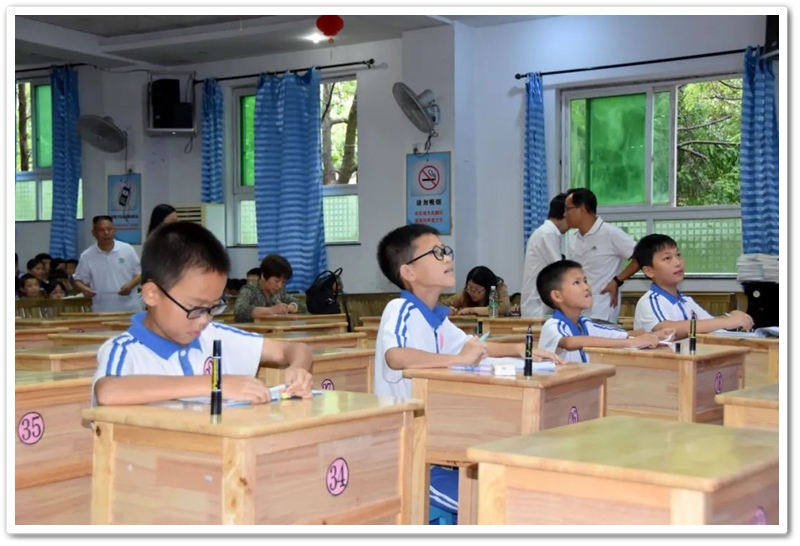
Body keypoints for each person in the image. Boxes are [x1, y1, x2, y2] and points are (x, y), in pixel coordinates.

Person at [374, 224, 564, 518]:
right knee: (497, 505)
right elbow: (396, 356)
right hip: (410, 455)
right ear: (408, 272)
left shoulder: (437, 319)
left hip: (439, 444)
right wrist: (457, 359)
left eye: (446, 250)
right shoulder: (401, 309)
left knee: (512, 491)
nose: (448, 257)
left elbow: (471, 346)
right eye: (436, 253)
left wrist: (519, 349)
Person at [91, 222, 314, 407]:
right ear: (152, 294)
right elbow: (108, 391)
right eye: (196, 308)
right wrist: (214, 383)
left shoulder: (213, 335)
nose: (204, 319)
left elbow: (294, 349)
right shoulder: (126, 350)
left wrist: (297, 369)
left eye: (213, 308)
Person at [537, 260, 670, 363]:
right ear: (557, 296)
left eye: (585, 281)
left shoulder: (585, 324)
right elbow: (570, 342)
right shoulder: (553, 325)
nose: (586, 287)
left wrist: (655, 335)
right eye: (577, 283)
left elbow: (624, 334)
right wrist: (631, 342)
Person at [632, 234, 754, 337]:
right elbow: (667, 329)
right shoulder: (650, 301)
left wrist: (732, 317)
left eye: (678, 255)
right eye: (667, 258)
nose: (677, 263)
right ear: (649, 271)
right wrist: (727, 321)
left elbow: (710, 324)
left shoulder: (686, 301)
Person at [564, 188, 640, 323]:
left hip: (602, 312)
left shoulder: (610, 233)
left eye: (568, 209)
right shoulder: (573, 238)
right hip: (577, 313)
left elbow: (641, 257)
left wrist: (617, 281)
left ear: (582, 209)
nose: (565, 214)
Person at [72, 216, 143, 313]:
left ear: (114, 230)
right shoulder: (87, 255)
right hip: (102, 309)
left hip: (129, 307)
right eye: (101, 230)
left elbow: (140, 274)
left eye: (109, 229)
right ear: (93, 233)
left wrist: (130, 286)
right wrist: (84, 289)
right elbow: (77, 279)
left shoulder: (127, 249)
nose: (106, 233)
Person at [520, 193, 569, 318]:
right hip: (538, 308)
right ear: (565, 214)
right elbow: (559, 270)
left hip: (540, 307)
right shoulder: (547, 233)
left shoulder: (547, 232)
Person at [233, 255, 306, 323]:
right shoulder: (249, 290)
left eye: (283, 282)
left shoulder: (279, 292)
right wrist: (270, 310)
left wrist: (290, 307)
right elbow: (239, 311)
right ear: (263, 276)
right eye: (276, 281)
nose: (280, 286)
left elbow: (302, 306)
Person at [441, 266, 511, 316]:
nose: (472, 292)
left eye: (477, 289)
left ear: (488, 288)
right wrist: (447, 310)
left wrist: (472, 310)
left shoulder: (498, 288)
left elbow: (503, 308)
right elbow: (440, 305)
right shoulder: (466, 293)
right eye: (470, 288)